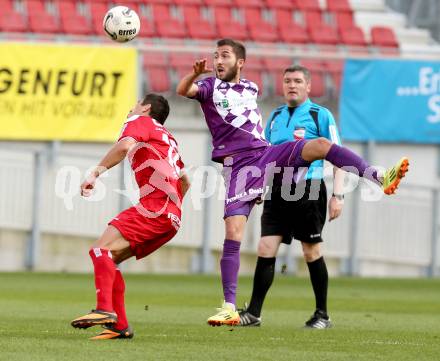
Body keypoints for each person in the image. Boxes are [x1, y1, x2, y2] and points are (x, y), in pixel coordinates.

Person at [176, 38, 409, 327]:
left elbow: (252, 128)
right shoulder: (211, 87)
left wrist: (338, 194)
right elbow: (183, 90)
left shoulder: (253, 89)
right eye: (215, 56)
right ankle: (229, 307)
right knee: (235, 232)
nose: (217, 60)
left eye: (224, 55)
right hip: (239, 167)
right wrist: (196, 74)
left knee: (321, 145)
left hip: (268, 159)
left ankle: (378, 176)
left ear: (240, 62)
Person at [70, 94, 190, 340]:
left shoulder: (141, 121)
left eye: (136, 103)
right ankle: (121, 327)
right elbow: (185, 181)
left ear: (145, 108)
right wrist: (173, 209)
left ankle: (104, 310)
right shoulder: (169, 139)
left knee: (99, 250)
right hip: (171, 217)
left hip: (155, 207)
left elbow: (124, 147)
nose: (132, 107)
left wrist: (95, 173)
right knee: (110, 258)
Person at [238, 65, 344, 329]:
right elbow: (266, 156)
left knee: (311, 251)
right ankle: (253, 313)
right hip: (277, 189)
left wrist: (338, 195)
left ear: (308, 86)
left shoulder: (320, 115)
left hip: (308, 189)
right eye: (287, 81)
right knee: (265, 248)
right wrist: (258, 186)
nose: (292, 85)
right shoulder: (274, 117)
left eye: (297, 81)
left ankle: (322, 314)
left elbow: (339, 156)